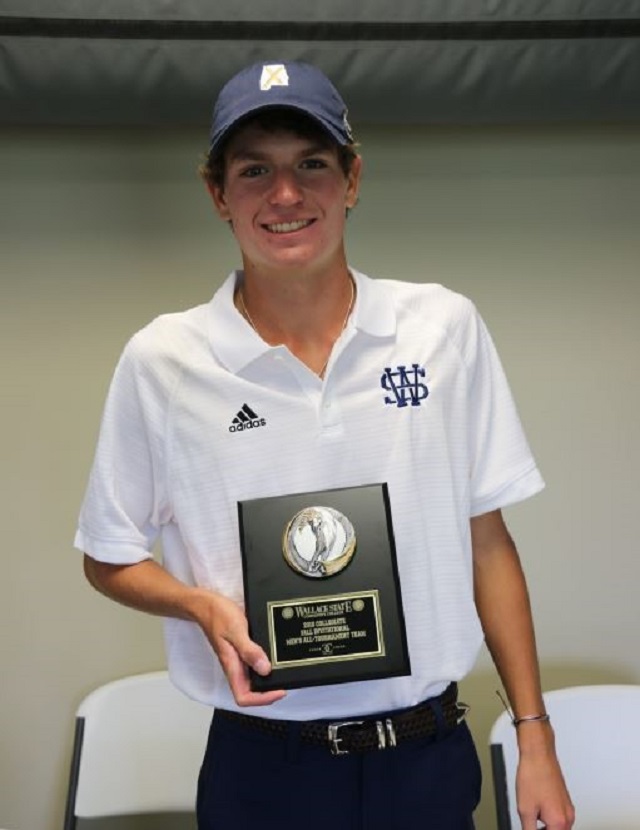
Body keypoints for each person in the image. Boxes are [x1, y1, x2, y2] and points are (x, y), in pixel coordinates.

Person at [75, 60, 574, 829]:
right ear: (217, 193)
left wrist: (536, 736)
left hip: (427, 757)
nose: (285, 194)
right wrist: (197, 606)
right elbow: (107, 554)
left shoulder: (442, 329)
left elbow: (489, 544)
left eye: (312, 163)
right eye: (254, 170)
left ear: (352, 179)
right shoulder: (165, 360)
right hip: (261, 768)